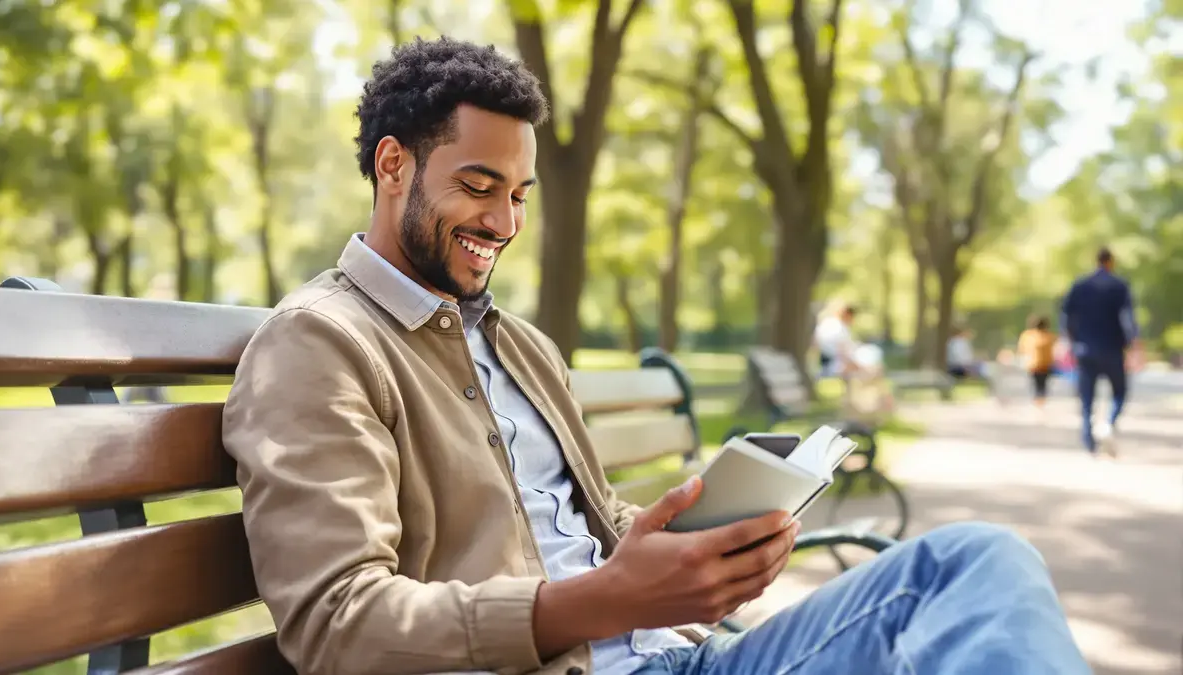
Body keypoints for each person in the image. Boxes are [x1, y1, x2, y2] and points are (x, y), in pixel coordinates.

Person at [221, 37, 1089, 675]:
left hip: (672, 656)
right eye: (478, 186)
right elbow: (336, 621)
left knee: (976, 561)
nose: (504, 223)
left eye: (519, 194)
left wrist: (684, 553)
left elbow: (574, 529)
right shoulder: (320, 343)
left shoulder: (517, 344)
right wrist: (604, 601)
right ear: (392, 165)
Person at [1060, 247, 1142, 457]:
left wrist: (1068, 342)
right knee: (1120, 392)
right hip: (1113, 349)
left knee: (1087, 396)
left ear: (1096, 261)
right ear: (1111, 262)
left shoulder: (1080, 285)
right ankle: (1108, 424)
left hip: (1084, 349)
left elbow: (1067, 316)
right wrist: (1135, 344)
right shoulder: (1120, 286)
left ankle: (1088, 439)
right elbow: (1128, 318)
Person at [1017, 315, 1057, 413]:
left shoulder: (1027, 335)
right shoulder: (1049, 336)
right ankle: (1040, 402)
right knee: (1041, 384)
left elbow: (1021, 349)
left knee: (1038, 384)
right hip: (1043, 365)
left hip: (1035, 365)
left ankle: (1038, 402)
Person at [813, 300, 858, 377]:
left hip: (825, 358)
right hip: (833, 360)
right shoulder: (840, 327)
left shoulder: (827, 322)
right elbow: (842, 350)